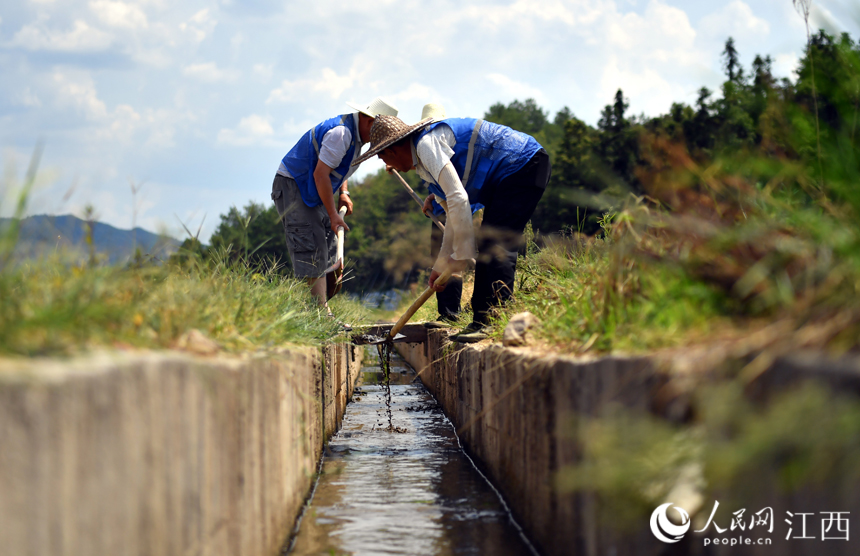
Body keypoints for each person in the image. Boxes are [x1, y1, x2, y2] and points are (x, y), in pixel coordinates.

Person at [354, 113, 550, 342]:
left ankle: (493, 319)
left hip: (523, 163)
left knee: (496, 243)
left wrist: (462, 254)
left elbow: (459, 198)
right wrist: (442, 263)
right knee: (490, 241)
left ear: (392, 151)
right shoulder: (423, 165)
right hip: (512, 172)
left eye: (383, 158)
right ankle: (483, 320)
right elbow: (451, 214)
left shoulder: (427, 146)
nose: (388, 165)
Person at [271, 97, 398, 318]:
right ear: (368, 120)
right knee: (310, 243)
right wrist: (332, 215)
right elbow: (321, 174)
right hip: (295, 185)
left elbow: (338, 167)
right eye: (381, 130)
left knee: (326, 245)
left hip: (313, 187)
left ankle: (318, 311)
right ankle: (319, 314)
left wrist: (343, 193)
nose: (382, 137)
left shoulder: (356, 137)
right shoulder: (342, 133)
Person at [411, 103, 482, 328]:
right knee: (440, 260)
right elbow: (439, 183)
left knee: (453, 259)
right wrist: (431, 198)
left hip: (460, 212)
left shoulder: (441, 143)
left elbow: (458, 189)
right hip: (442, 211)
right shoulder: (425, 152)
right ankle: (446, 313)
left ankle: (452, 314)